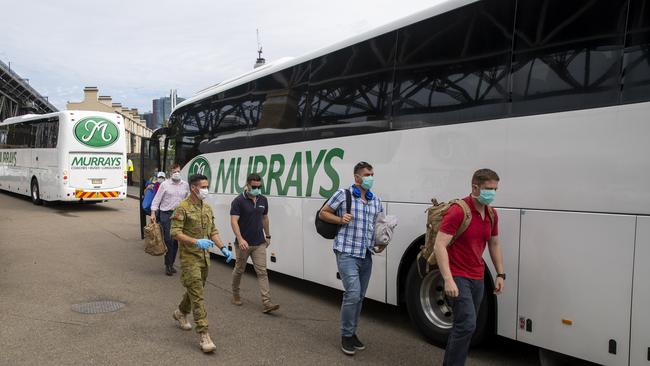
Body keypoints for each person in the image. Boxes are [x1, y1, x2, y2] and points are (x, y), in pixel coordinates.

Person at [434, 169, 505, 366]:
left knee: (464, 326)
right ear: (475, 187)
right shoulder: (458, 211)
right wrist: (448, 279)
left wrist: (501, 274)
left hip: (477, 276)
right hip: (458, 275)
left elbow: (494, 244)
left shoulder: (491, 213)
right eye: (488, 189)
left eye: (495, 189)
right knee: (466, 325)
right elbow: (439, 245)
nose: (492, 193)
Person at [318, 161, 384, 356]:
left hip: (366, 254)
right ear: (357, 177)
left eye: (372, 174)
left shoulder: (375, 200)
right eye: (367, 174)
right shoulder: (343, 194)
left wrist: (383, 242)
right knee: (353, 294)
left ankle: (353, 333)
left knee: (360, 297)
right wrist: (340, 219)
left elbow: (379, 225)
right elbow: (323, 213)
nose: (370, 177)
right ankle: (346, 335)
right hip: (346, 252)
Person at [170, 174, 233, 353]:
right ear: (193, 188)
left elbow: (213, 231)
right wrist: (196, 241)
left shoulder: (206, 208)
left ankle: (180, 313)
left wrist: (223, 248)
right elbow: (175, 232)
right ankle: (204, 335)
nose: (206, 189)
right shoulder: (182, 208)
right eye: (203, 186)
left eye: (207, 186)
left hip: (204, 258)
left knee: (194, 291)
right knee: (197, 296)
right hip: (189, 258)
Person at [230, 173, 279, 313]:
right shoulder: (238, 201)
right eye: (254, 186)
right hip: (243, 244)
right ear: (247, 185)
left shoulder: (263, 199)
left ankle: (267, 302)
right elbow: (234, 221)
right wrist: (240, 239)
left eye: (259, 186)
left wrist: (268, 235)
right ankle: (235, 294)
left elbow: (265, 218)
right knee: (239, 270)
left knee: (262, 271)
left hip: (259, 243)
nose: (257, 189)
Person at [152, 165, 189, 275]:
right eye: (174, 171)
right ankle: (168, 265)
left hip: (178, 215)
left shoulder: (185, 185)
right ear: (170, 173)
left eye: (178, 171)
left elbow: (188, 198)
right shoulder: (165, 185)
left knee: (176, 240)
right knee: (168, 240)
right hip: (166, 214)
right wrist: (153, 212)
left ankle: (171, 264)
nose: (176, 173)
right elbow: (157, 199)